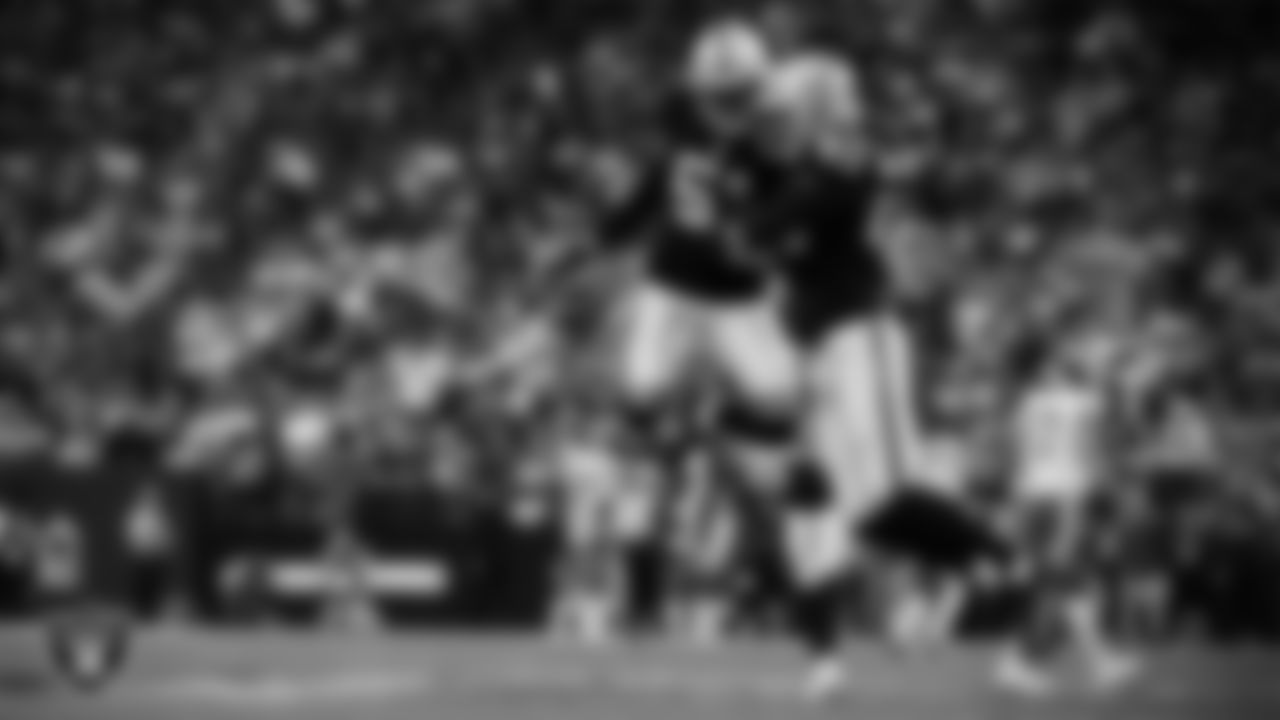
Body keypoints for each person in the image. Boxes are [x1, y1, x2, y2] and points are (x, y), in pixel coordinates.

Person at [599, 18, 804, 640]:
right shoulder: (763, 148)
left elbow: (626, 217)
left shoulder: (727, 144)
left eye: (737, 96)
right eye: (727, 97)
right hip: (691, 296)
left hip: (717, 300)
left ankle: (757, 576)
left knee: (771, 426)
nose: (731, 109)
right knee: (646, 428)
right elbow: (643, 204)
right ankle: (647, 590)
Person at [994, 343, 1142, 696]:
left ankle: (1030, 661)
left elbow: (1014, 453)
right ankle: (1094, 661)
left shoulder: (1026, 402)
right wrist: (1115, 378)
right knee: (1067, 580)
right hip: (1066, 495)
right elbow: (1109, 440)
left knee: (1061, 582)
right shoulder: (1084, 401)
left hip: (1030, 495)